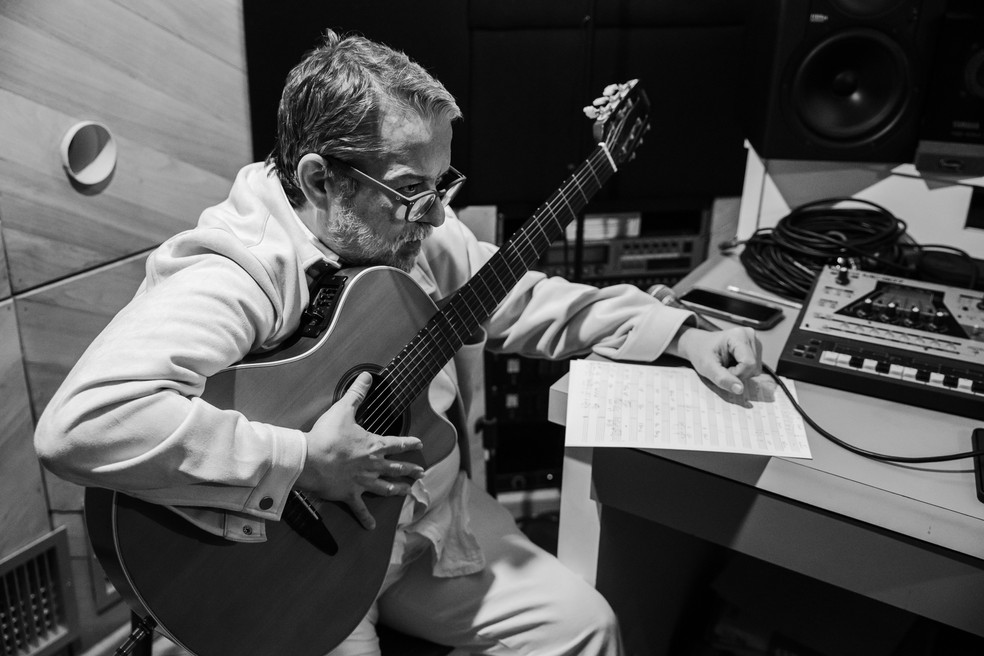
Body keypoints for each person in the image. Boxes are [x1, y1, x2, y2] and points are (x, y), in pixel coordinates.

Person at [35, 29, 762, 656]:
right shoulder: (238, 272)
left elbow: (527, 299)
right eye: (416, 189)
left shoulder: (413, 228)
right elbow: (83, 426)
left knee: (587, 630)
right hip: (295, 565)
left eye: (445, 182)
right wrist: (305, 460)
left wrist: (683, 332)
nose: (439, 213)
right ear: (321, 179)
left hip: (425, 527)